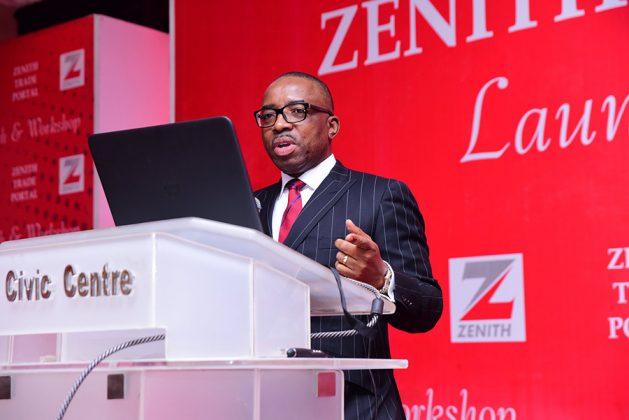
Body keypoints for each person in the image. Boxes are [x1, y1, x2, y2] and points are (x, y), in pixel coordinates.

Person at [253, 72, 443, 420]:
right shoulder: (251, 206)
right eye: (268, 115)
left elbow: (427, 308)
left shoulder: (379, 195)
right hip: (264, 402)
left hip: (354, 406)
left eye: (296, 111)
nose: (279, 124)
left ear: (332, 126)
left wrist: (381, 277)